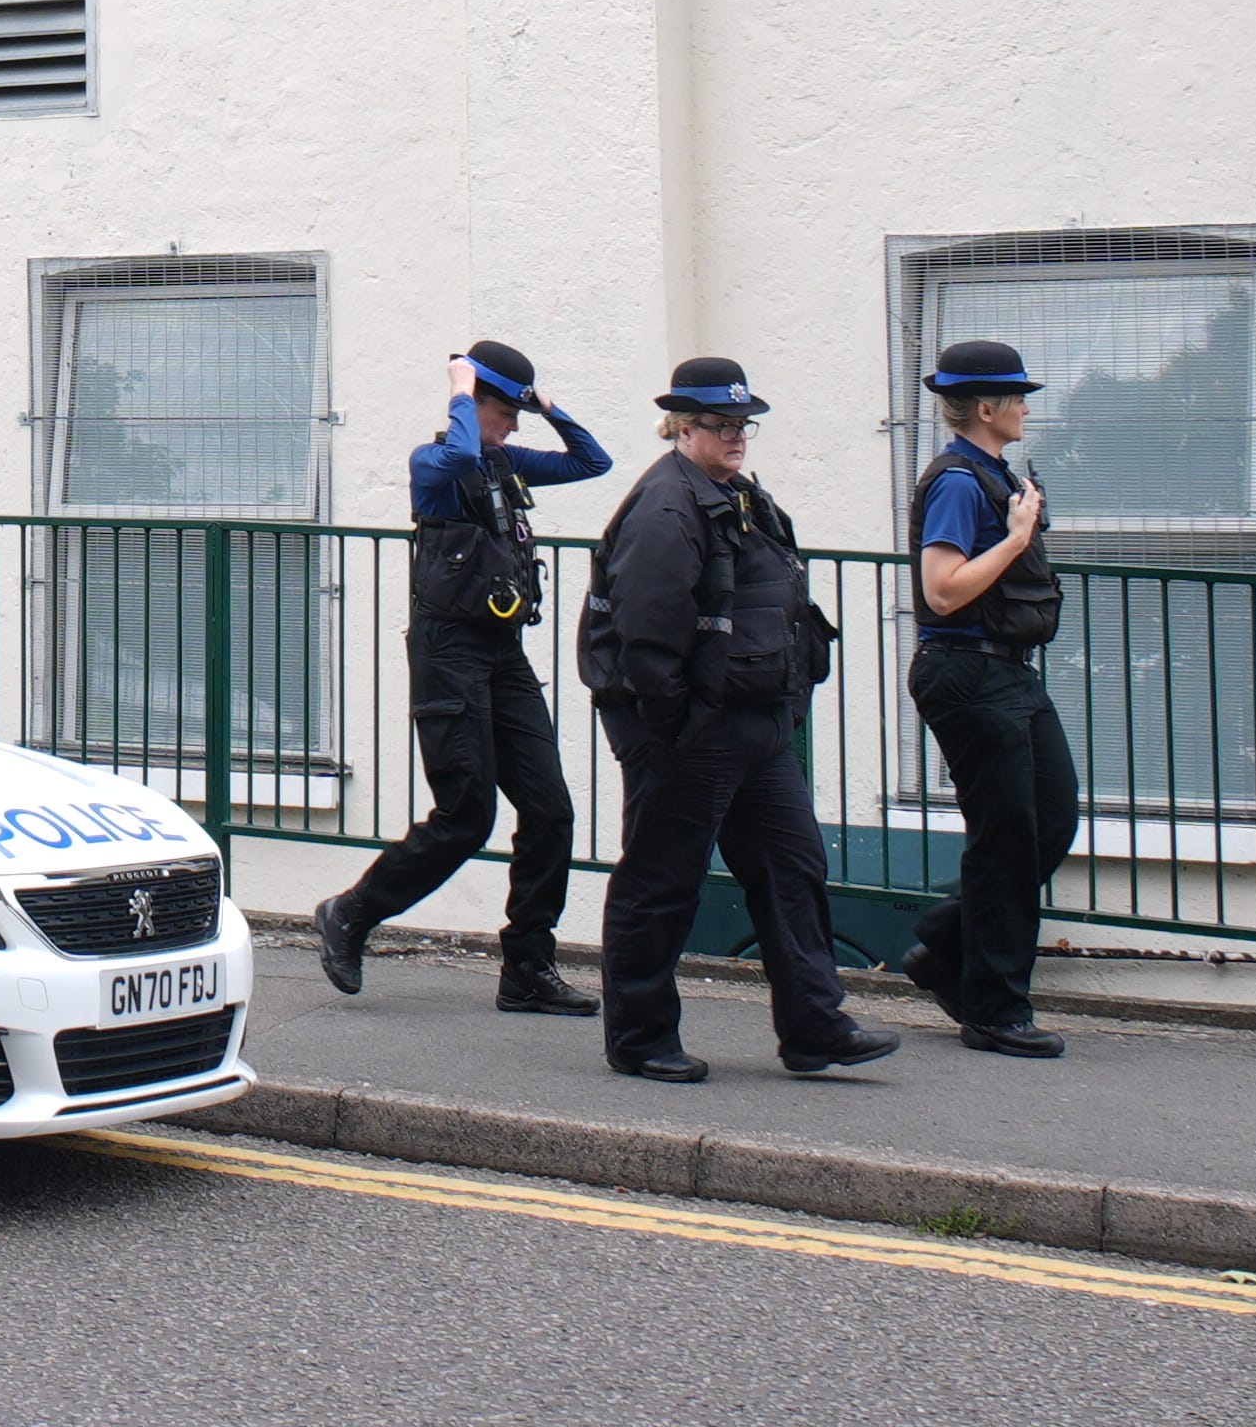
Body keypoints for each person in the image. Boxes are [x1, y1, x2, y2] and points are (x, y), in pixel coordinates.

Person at [576, 357, 896, 1083]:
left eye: (742, 424)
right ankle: (640, 1037)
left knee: (793, 869)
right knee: (662, 880)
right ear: (683, 428)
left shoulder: (734, 495)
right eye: (720, 425)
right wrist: (679, 728)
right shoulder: (666, 509)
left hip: (758, 726)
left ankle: (815, 1026)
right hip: (696, 733)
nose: (736, 437)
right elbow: (647, 638)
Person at [312, 341, 608, 1013]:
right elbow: (463, 452)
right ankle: (351, 914)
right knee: (466, 814)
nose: (514, 426)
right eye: (504, 410)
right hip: (448, 651)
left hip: (502, 651)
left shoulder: (503, 460)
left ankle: (528, 967)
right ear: (473, 403)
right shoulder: (437, 463)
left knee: (550, 808)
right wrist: (460, 387)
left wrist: (545, 404)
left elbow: (594, 461)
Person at [894, 340, 1082, 1059]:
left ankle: (945, 944)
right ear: (985, 407)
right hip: (966, 671)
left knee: (1051, 820)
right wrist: (1017, 537)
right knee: (1005, 840)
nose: (1027, 406)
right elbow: (942, 589)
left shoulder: (994, 474)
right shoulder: (957, 484)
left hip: (1007, 671)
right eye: (1017, 397)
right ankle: (995, 1009)